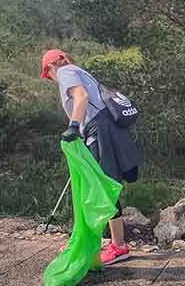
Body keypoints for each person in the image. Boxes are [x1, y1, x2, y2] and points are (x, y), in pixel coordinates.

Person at [41, 49, 141, 266]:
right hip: (105, 129)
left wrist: (74, 127)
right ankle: (102, 242)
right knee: (101, 185)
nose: (50, 79)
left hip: (99, 131)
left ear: (51, 67)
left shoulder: (65, 71)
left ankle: (110, 245)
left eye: (47, 75)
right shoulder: (79, 71)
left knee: (99, 187)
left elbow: (81, 97)